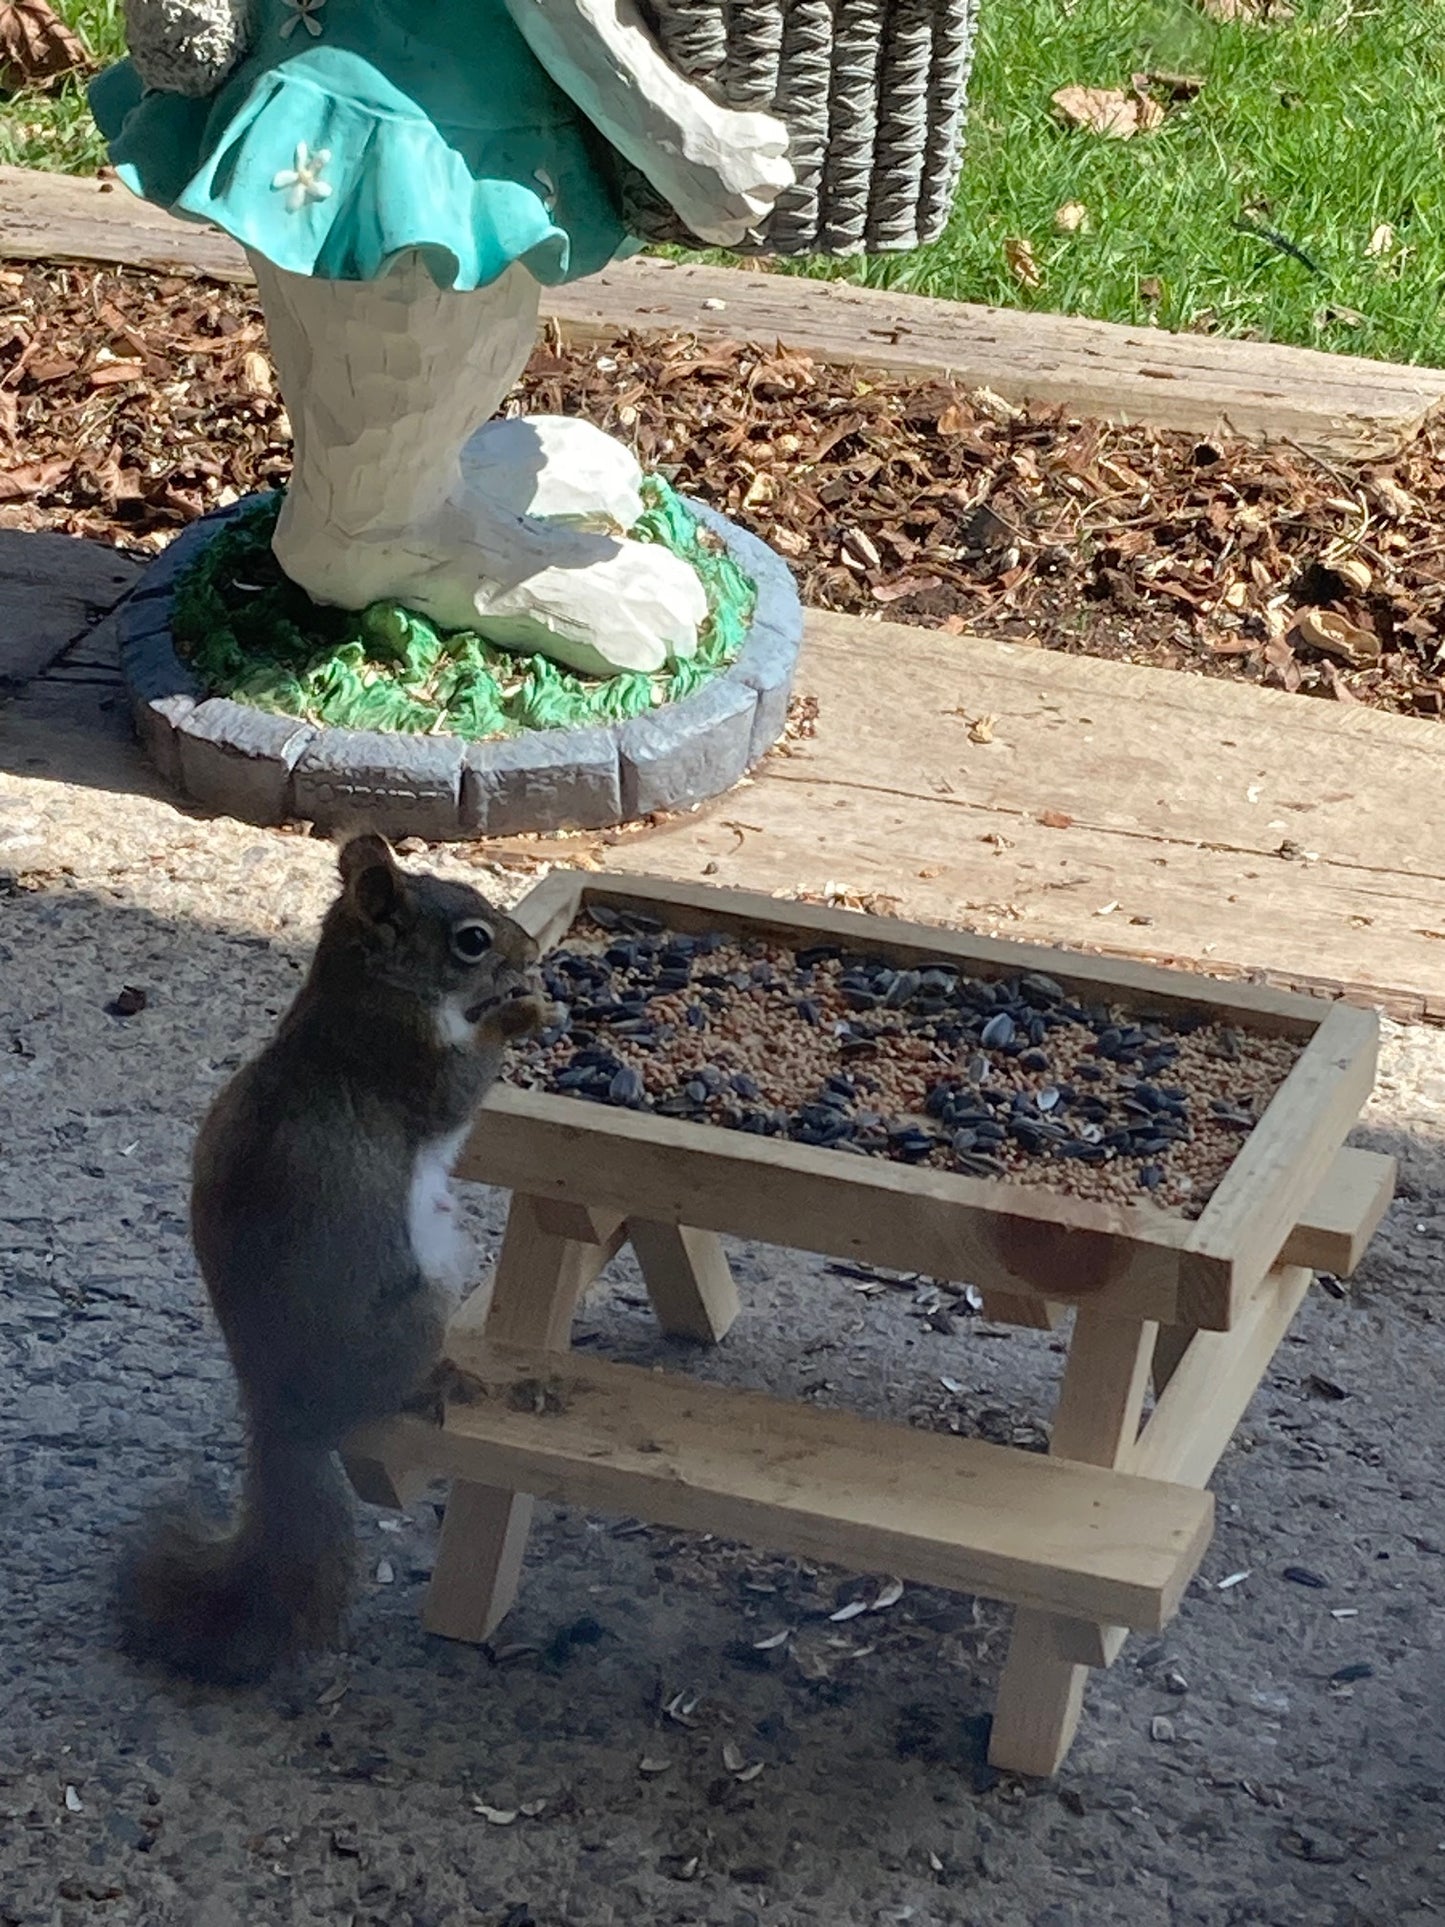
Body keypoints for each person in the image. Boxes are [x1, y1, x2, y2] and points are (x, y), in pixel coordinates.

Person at [91, 0, 793, 673]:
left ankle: (416, 483)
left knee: (467, 300)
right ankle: (371, 533)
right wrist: (676, 138)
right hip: (397, 91)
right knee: (412, 289)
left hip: (439, 69)